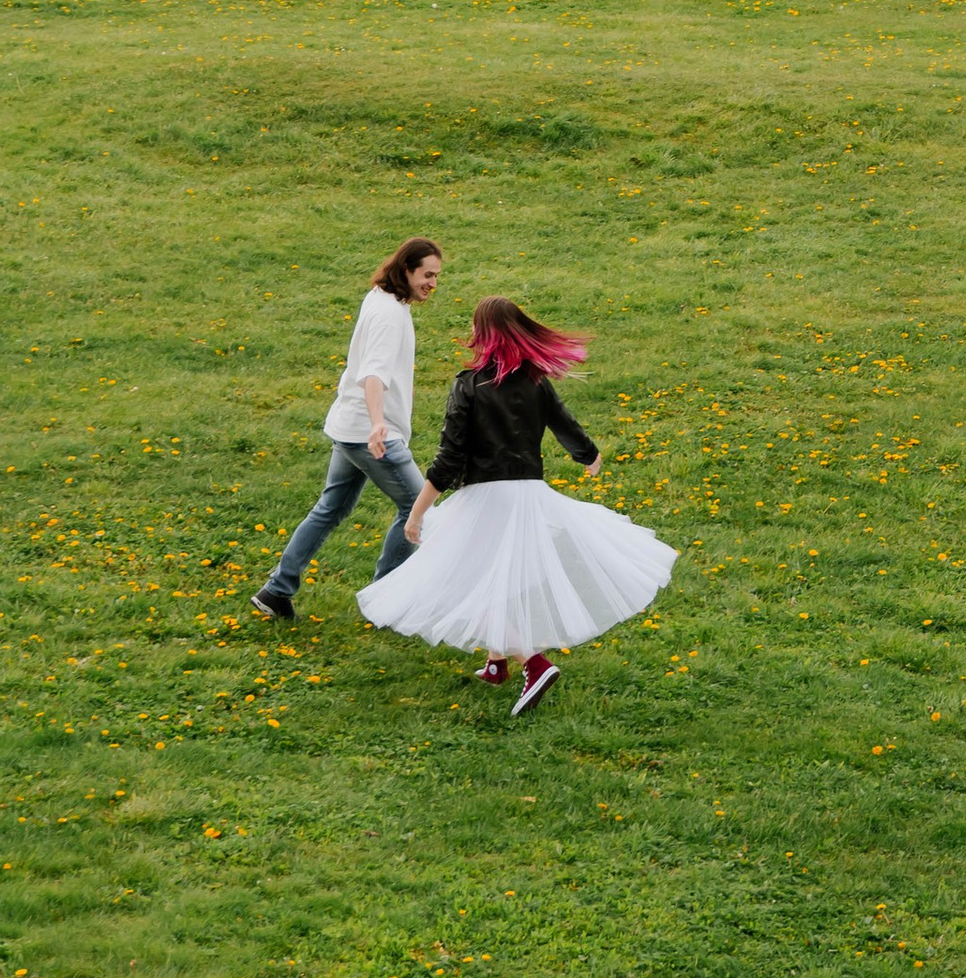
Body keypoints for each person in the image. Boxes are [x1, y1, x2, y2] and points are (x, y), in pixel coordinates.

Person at [358, 296, 675, 717]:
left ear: (481, 335)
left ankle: (534, 662)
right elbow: (565, 424)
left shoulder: (469, 385)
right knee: (497, 573)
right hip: (529, 494)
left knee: (477, 579)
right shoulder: (536, 382)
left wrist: (417, 514)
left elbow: (449, 458)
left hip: (489, 497)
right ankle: (496, 662)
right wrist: (589, 455)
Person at [250, 234, 443, 620]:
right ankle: (385, 601)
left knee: (330, 507)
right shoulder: (389, 315)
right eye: (427, 275)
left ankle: (277, 589)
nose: (432, 284)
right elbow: (373, 373)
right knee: (418, 508)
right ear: (406, 270)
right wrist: (377, 425)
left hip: (348, 425)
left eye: (437, 277)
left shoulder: (380, 298)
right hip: (371, 433)